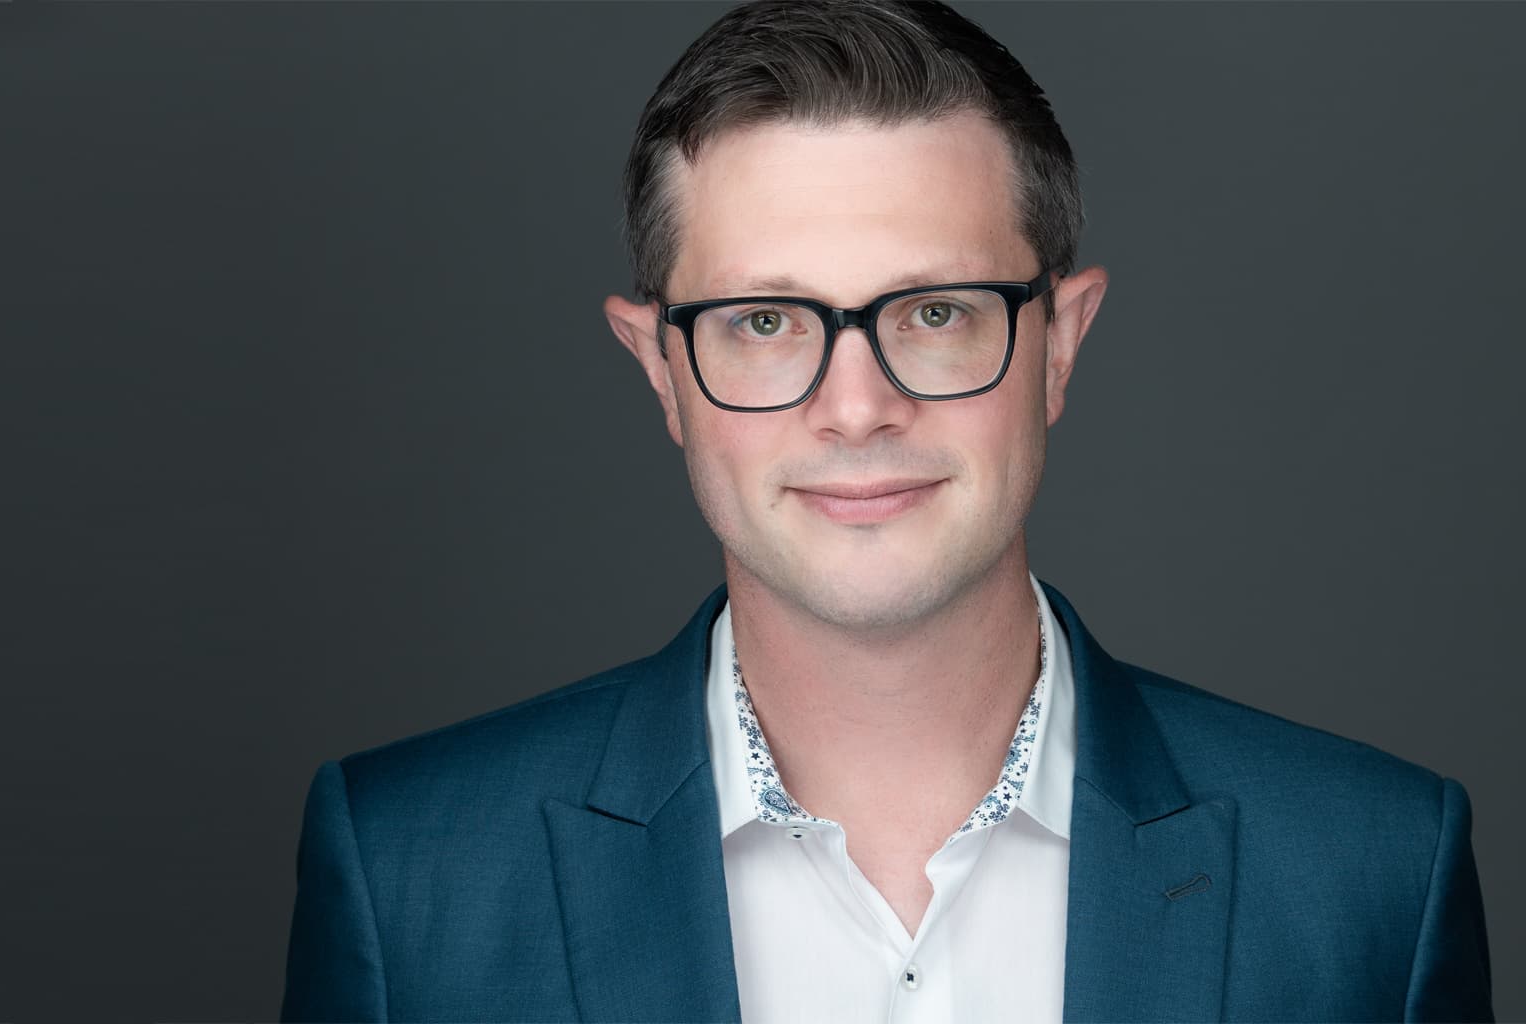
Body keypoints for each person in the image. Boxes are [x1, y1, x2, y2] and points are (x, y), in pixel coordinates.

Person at [280, 1, 1494, 1020]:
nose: (854, 408)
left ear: (1058, 345)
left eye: (932, 312)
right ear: (659, 371)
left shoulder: (1370, 872)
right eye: (764, 323)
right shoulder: (409, 876)